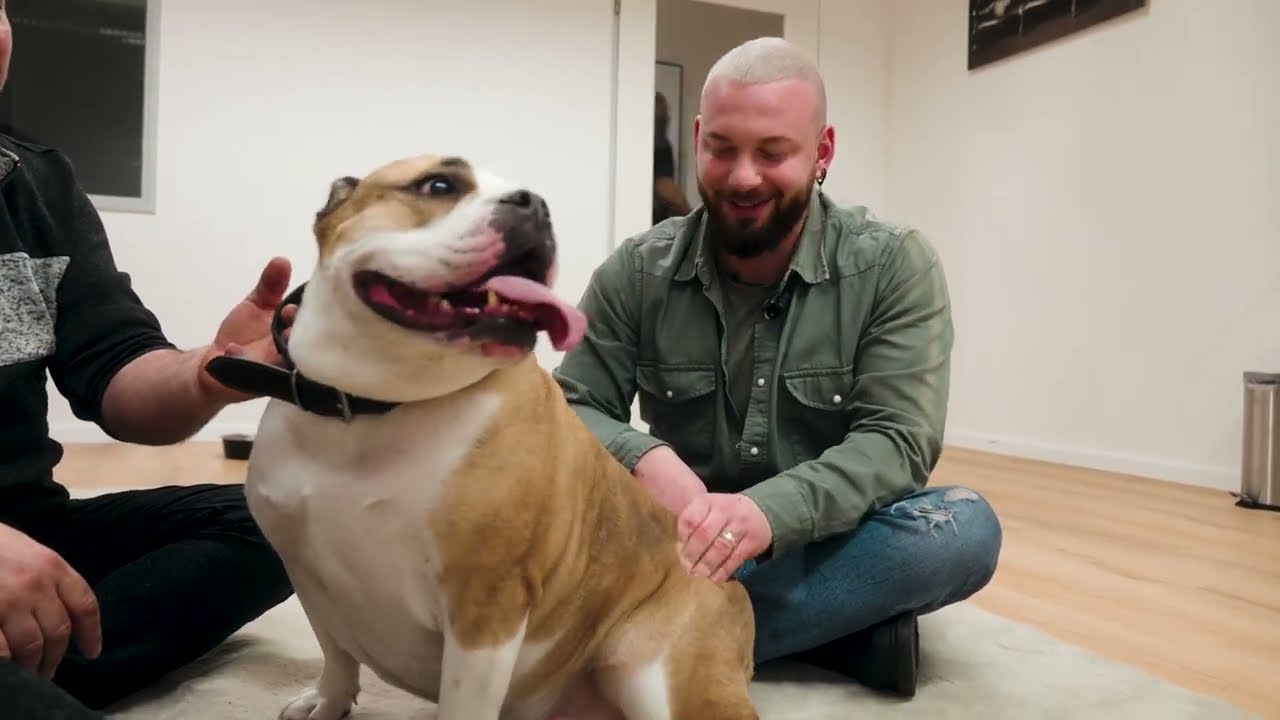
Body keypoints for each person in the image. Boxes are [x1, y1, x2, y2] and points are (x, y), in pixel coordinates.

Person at [553, 36, 1002, 698]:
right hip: (681, 544)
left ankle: (637, 643)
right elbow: (569, 407)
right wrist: (645, 459)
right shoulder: (636, 270)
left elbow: (897, 441)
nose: (741, 177)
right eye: (723, 148)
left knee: (963, 529)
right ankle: (850, 631)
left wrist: (766, 514)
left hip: (827, 537)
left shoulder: (894, 265)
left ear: (822, 152)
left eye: (773, 153)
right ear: (698, 138)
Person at [0, 6, 293, 717]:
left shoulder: (36, 184)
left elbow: (118, 372)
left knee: (282, 522)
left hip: (29, 529)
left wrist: (210, 372)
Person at [652, 91, 691, 225]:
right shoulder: (659, 145)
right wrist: (690, 215)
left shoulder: (663, 144)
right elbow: (665, 186)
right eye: (664, 113)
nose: (667, 117)